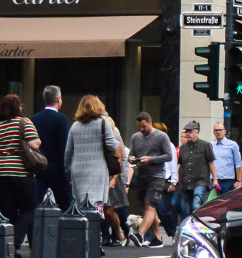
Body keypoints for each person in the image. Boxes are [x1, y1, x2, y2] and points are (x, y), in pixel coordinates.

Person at [0, 94, 42, 254]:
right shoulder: (24, 123)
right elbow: (35, 144)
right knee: (28, 208)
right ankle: (14, 243)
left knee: (8, 211)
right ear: (18, 108)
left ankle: (6, 245)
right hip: (19, 172)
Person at [64, 94, 121, 218]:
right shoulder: (102, 123)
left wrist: (68, 171)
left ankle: (82, 231)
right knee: (95, 205)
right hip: (97, 171)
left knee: (81, 206)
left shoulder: (75, 126)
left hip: (78, 171)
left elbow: (68, 153)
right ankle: (93, 232)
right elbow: (113, 146)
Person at [127, 112, 174, 247]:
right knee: (149, 208)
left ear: (150, 122)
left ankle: (140, 235)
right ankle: (158, 238)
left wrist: (150, 159)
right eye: (139, 127)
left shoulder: (161, 136)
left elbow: (168, 156)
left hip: (157, 176)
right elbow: (131, 153)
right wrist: (131, 158)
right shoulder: (136, 137)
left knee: (150, 205)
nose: (142, 130)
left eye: (144, 126)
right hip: (141, 175)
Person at [31, 84, 71, 210]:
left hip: (38, 166)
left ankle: (32, 230)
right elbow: (64, 147)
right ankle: (65, 229)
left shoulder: (35, 119)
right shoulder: (62, 119)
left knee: (34, 204)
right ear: (58, 99)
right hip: (57, 167)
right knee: (65, 204)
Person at [176, 121, 217, 220]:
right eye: (186, 132)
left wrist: (215, 179)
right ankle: (188, 228)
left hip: (201, 180)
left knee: (196, 203)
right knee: (185, 208)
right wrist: (180, 183)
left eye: (190, 131)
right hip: (187, 181)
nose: (187, 134)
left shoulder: (205, 145)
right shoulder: (183, 148)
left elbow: (211, 163)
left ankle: (199, 223)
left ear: (196, 132)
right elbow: (181, 167)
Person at [100, 115, 129, 246]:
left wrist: (116, 179)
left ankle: (119, 231)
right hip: (100, 176)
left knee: (110, 210)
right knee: (102, 209)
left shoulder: (115, 139)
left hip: (112, 176)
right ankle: (106, 235)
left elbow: (120, 162)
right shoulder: (97, 139)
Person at [210, 121, 241, 195]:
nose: (218, 132)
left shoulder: (233, 145)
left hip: (228, 181)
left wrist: (238, 180)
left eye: (220, 130)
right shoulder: (210, 145)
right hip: (214, 181)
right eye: (216, 130)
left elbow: (238, 163)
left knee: (226, 204)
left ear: (225, 131)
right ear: (213, 132)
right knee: (213, 204)